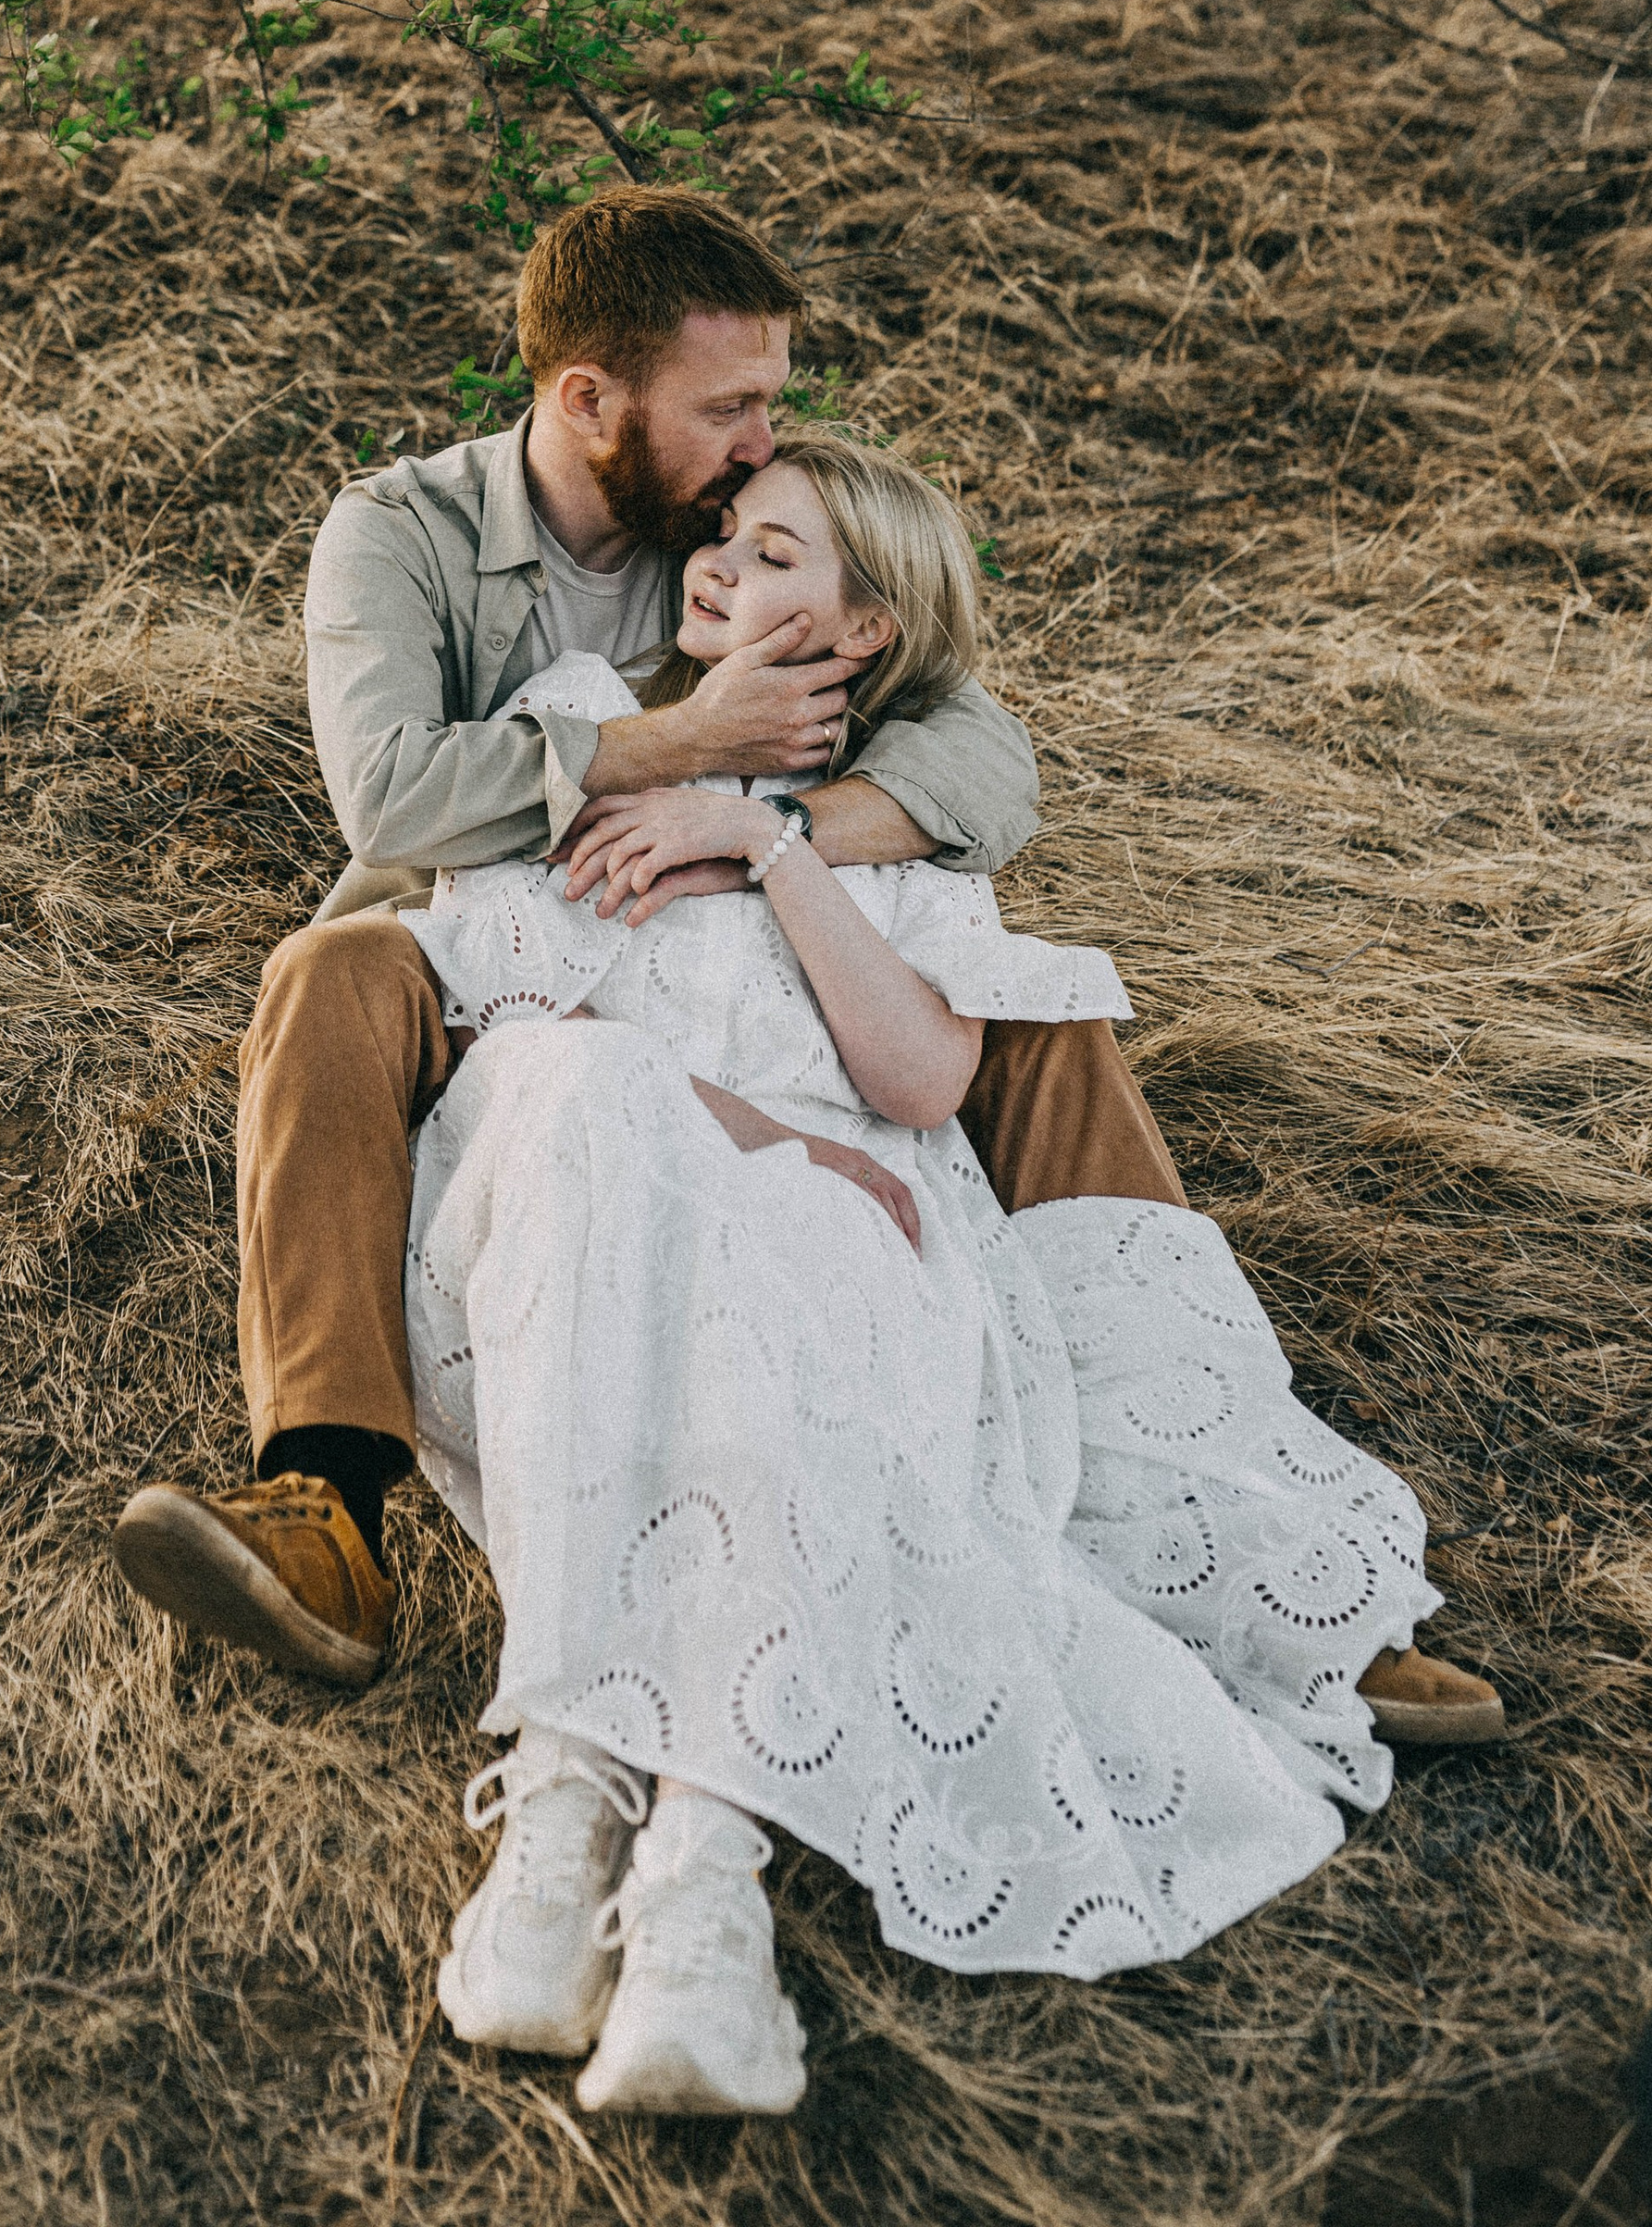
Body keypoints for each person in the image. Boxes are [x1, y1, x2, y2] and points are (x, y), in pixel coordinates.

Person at [112, 187, 1500, 1762]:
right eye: (732, 407)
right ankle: (323, 1511)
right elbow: (392, 796)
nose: (764, 442)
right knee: (322, 974)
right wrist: (683, 742)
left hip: (722, 933)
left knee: (1043, 1018)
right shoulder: (402, 536)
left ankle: (1249, 1556)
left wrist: (753, 825)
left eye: (772, 401)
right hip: (480, 949)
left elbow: (983, 754)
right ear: (588, 400)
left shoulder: (738, 518)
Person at [399, 431, 1443, 2113]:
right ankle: (564, 1815)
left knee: (816, 1242)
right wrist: (745, 1116)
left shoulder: (900, 830)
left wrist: (768, 843)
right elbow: (520, 1010)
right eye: (725, 535)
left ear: (863, 629)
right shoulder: (595, 713)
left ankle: (693, 1898)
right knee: (618, 1116)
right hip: (582, 1213)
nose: (722, 562)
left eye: (779, 552)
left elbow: (919, 1087)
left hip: (835, 1234)